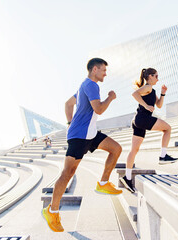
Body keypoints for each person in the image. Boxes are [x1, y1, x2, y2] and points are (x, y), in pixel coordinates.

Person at [42, 58, 123, 232]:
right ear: (95, 69)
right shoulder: (92, 85)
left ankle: (103, 183)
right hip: (79, 136)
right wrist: (110, 97)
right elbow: (99, 109)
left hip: (90, 133)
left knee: (116, 149)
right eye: (103, 70)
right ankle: (52, 210)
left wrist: (69, 121)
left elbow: (68, 104)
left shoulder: (83, 86)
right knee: (68, 173)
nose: (105, 73)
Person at [120, 68, 178, 193]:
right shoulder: (147, 87)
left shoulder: (152, 90)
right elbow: (134, 94)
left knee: (133, 151)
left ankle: (127, 177)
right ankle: (163, 156)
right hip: (143, 119)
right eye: (156, 76)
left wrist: (163, 93)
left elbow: (159, 105)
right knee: (167, 129)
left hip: (138, 121)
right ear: (150, 77)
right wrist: (146, 105)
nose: (158, 78)